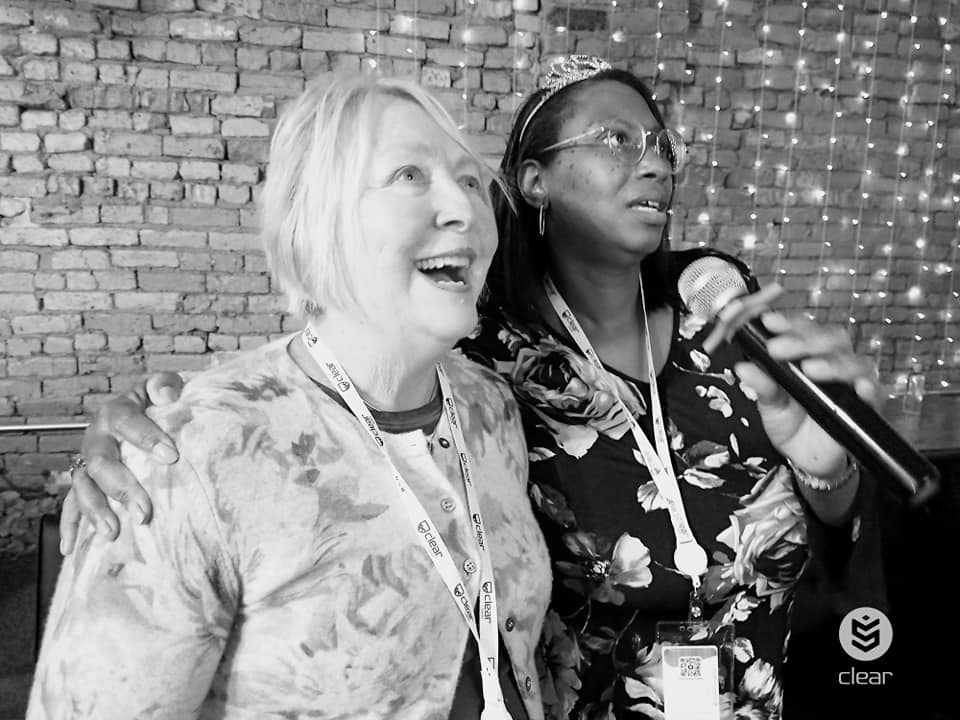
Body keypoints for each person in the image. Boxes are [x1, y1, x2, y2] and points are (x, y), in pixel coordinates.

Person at [58, 57, 882, 720]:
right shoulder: (493, 357)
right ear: (533, 183)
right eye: (618, 139)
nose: (656, 159)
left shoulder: (704, 319)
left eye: (662, 142)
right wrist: (164, 435)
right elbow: (329, 364)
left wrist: (827, 463)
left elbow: (834, 524)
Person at [28, 73, 552, 720]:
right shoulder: (191, 452)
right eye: (409, 175)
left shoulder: (491, 409)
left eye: (471, 181)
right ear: (316, 217)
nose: (464, 210)